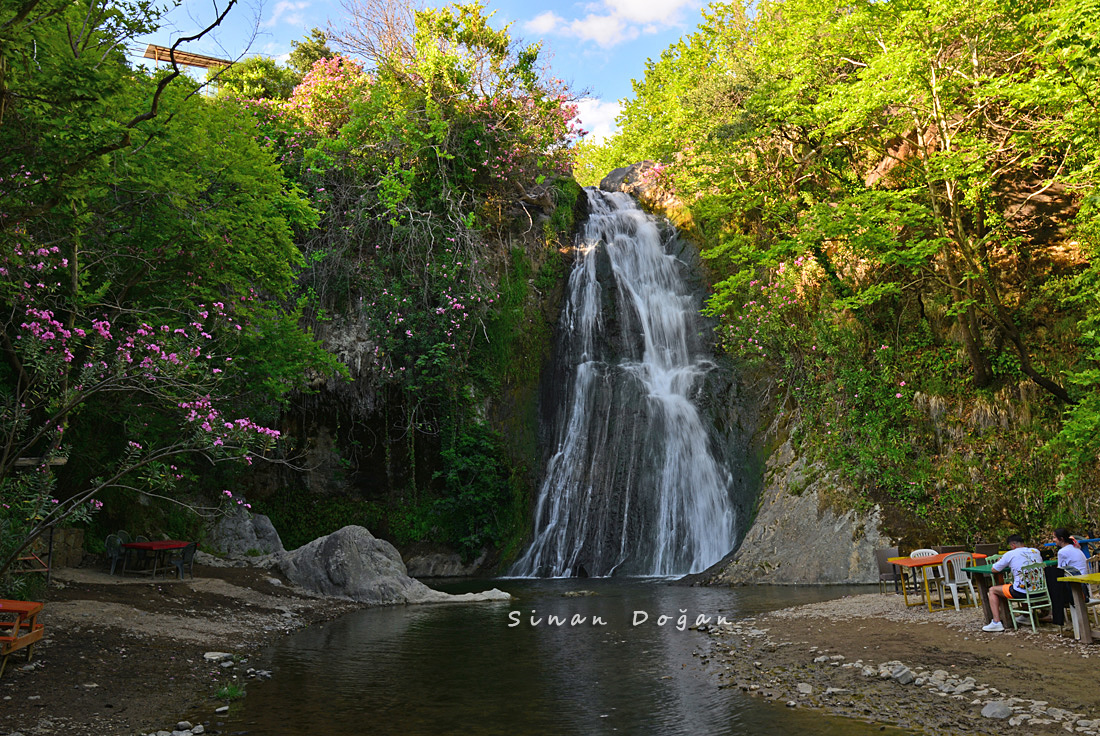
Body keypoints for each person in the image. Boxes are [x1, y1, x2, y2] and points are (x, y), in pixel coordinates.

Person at [982, 534, 1043, 632]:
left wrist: (1000, 561)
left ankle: (996, 622)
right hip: (1039, 590)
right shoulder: (1035, 551)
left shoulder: (1010, 554)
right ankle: (1026, 616)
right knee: (1022, 582)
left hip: (1022, 592)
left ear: (1013, 545)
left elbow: (994, 569)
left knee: (992, 590)